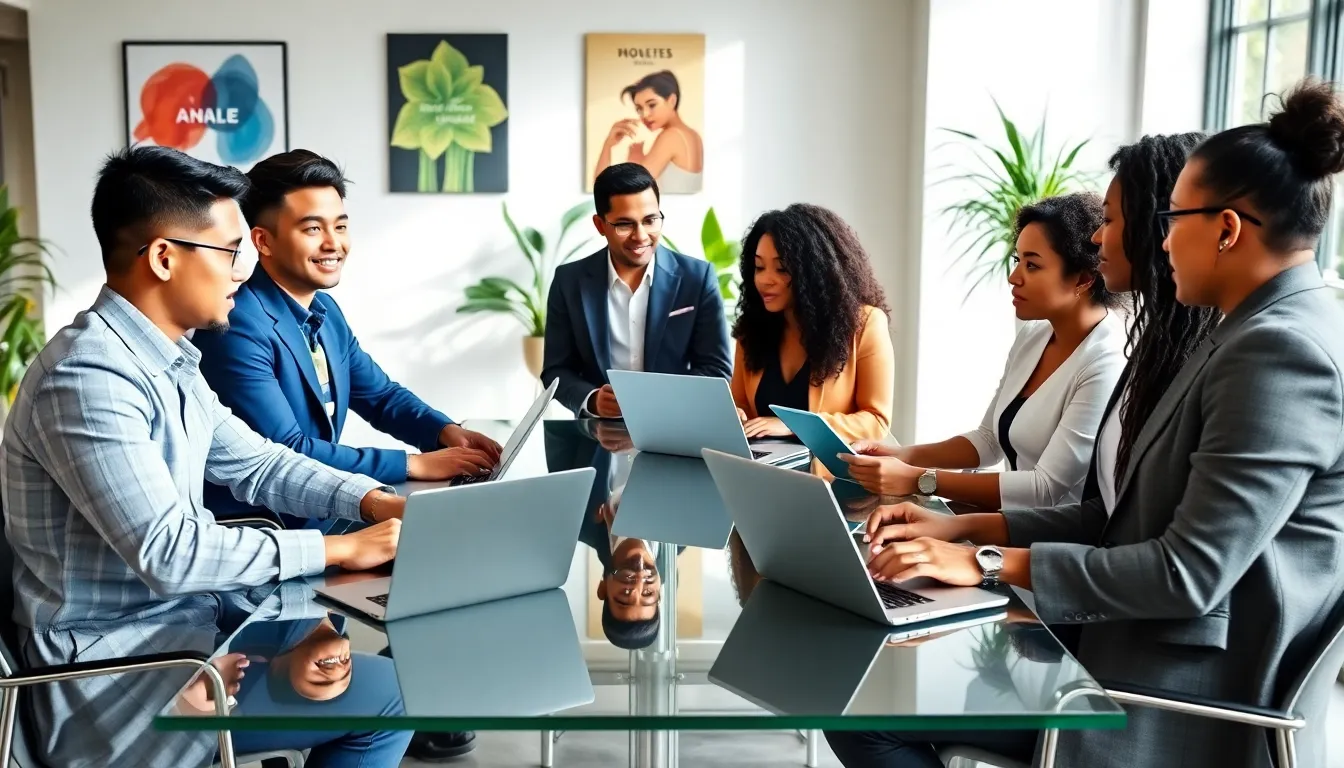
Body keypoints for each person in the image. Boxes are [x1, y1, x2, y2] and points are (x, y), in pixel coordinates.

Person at [829, 79, 1344, 768]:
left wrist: (985, 560)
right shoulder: (1243, 332)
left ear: (1225, 229)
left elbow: (1187, 574)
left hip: (1172, 699)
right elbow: (1118, 518)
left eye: (1173, 220)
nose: (1161, 243)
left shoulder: (1280, 352)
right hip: (1128, 653)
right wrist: (958, 532)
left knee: (867, 715)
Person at [0, 145, 410, 767]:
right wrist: (341, 546)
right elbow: (170, 552)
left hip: (186, 632)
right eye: (230, 251)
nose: (243, 272)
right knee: (394, 699)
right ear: (164, 258)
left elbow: (261, 464)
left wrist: (370, 499)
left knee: (347, 662)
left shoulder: (169, 360)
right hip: (118, 675)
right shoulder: (87, 377)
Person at [193, 150, 501, 527]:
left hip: (328, 509)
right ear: (264, 241)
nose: (333, 244)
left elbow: (380, 396)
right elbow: (288, 451)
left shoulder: (325, 311)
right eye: (312, 229)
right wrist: (412, 464)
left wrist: (445, 432)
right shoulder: (237, 325)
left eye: (339, 226)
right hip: (272, 529)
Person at [841, 193, 1125, 509]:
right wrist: (902, 455)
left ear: (1084, 279)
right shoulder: (1035, 335)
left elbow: (1045, 489)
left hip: (1053, 544)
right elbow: (989, 439)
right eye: (1018, 261)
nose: (1014, 277)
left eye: (1032, 265)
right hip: (1009, 522)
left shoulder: (1107, 360)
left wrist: (917, 478)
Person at [542, 162, 731, 417]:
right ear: (600, 225)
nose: (641, 236)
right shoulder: (569, 281)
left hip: (676, 426)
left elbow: (716, 370)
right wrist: (593, 399)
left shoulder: (697, 279)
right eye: (625, 224)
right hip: (600, 435)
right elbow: (556, 371)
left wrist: (654, 399)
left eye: (650, 220)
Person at [729, 204, 892, 443]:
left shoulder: (865, 324)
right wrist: (737, 414)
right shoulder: (752, 329)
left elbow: (876, 420)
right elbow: (741, 403)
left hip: (828, 474)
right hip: (761, 468)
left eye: (782, 268)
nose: (765, 280)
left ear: (815, 272)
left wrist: (793, 425)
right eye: (759, 267)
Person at [593, 70, 704, 193]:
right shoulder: (693, 135)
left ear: (672, 100)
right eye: (639, 109)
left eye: (651, 105)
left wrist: (632, 158)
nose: (645, 114)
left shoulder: (672, 136)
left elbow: (619, 190)